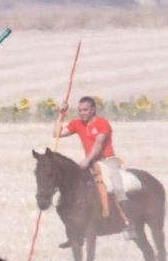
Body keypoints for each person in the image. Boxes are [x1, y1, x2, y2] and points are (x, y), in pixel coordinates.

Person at [55, 96, 137, 239]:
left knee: (117, 189)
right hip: (91, 162)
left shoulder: (102, 124)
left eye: (85, 110)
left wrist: (87, 160)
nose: (82, 113)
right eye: (80, 110)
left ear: (93, 110)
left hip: (107, 161)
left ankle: (131, 225)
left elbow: (98, 145)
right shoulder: (77, 123)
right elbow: (56, 134)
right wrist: (61, 114)